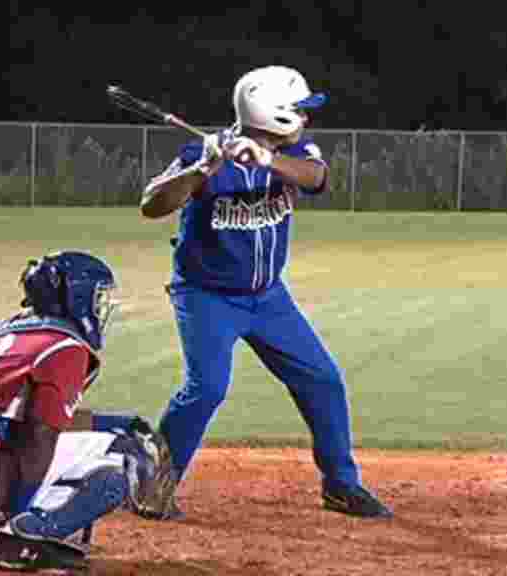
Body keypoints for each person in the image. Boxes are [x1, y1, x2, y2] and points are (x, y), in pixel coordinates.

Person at [137, 65, 392, 521]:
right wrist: (202, 169)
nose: (306, 119)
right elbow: (151, 205)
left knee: (323, 380)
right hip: (206, 295)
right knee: (208, 387)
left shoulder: (293, 151)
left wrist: (266, 159)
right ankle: (153, 487)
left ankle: (341, 486)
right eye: (299, 110)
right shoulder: (203, 151)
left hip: (268, 297)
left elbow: (315, 176)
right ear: (270, 113)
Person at [0, 250, 169, 572]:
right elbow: (39, 434)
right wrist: (17, 514)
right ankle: (20, 539)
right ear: (75, 297)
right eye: (97, 297)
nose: (102, 307)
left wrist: (114, 422)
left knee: (111, 437)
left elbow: (20, 413)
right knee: (121, 460)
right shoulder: (64, 346)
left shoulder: (14, 329)